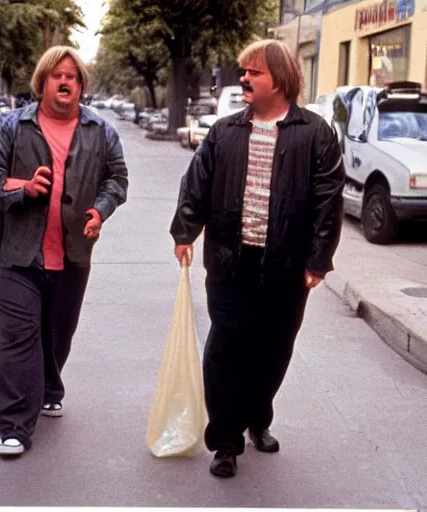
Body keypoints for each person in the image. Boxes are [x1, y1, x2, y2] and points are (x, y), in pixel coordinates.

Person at [170, 39, 344, 478]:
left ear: (280, 80)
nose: (243, 78)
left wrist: (317, 260)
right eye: (242, 71)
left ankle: (257, 418)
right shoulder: (225, 131)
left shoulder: (315, 134)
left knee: (273, 349)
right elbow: (196, 185)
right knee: (227, 347)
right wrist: (184, 232)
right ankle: (225, 440)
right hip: (231, 261)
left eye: (254, 72)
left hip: (286, 268)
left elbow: (328, 202)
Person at [0, 46, 128, 456]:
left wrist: (100, 210)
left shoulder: (101, 131)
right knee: (17, 334)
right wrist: (22, 188)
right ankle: (13, 425)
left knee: (58, 333)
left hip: (73, 253)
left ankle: (49, 385)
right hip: (19, 252)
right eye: (56, 75)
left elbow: (117, 179)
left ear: (81, 85)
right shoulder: (12, 126)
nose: (65, 82)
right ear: (42, 82)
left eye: (72, 76)